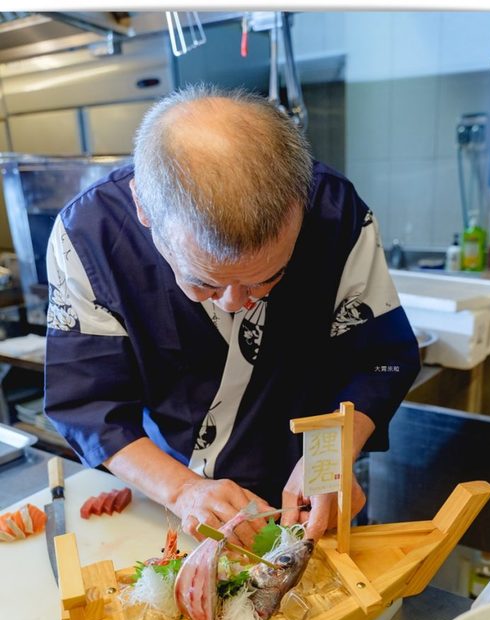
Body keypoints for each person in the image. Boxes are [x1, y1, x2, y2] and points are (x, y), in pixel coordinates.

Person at [45, 85, 420, 547]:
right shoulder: (89, 238)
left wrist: (330, 456)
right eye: (204, 281)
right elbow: (87, 402)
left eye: (267, 278)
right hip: (166, 496)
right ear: (143, 207)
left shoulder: (336, 214)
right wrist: (182, 491)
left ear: (299, 205)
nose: (233, 302)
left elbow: (379, 359)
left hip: (311, 496)